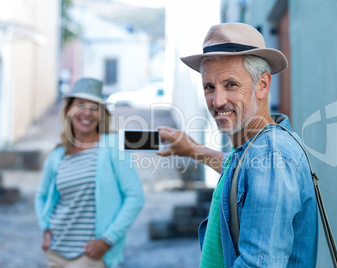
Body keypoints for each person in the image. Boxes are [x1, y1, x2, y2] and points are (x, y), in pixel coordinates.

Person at [157, 23, 318, 267]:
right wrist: (193, 150)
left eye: (230, 84)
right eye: (209, 87)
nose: (217, 101)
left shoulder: (271, 156)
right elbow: (241, 171)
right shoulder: (257, 148)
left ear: (262, 85)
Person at [35, 78, 144, 268]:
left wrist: (107, 240)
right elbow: (41, 195)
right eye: (80, 105)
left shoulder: (113, 147)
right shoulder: (57, 155)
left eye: (94, 107)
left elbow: (135, 197)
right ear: (69, 109)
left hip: (90, 256)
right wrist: (45, 227)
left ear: (102, 114)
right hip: (55, 254)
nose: (87, 112)